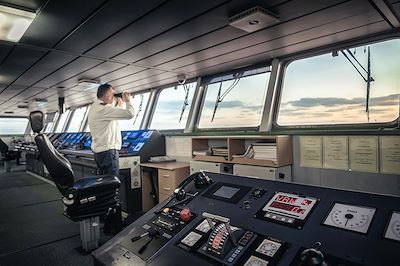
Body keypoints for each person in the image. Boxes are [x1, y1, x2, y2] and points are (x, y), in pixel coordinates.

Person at [87, 83, 135, 177]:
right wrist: (128, 101)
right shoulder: (103, 109)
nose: (114, 97)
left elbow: (112, 116)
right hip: (108, 152)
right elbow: (130, 114)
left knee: (105, 182)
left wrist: (120, 106)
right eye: (113, 94)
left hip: (100, 152)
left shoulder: (95, 107)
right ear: (107, 95)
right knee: (112, 183)